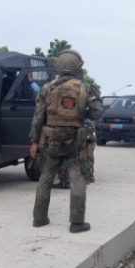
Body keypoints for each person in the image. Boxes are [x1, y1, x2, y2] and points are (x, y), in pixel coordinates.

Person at [29, 49, 103, 233]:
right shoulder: (87, 87)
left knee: (45, 177)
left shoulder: (47, 88)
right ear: (78, 66)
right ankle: (77, 223)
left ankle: (39, 218)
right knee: (77, 179)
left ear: (58, 65)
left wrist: (34, 141)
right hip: (76, 139)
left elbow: (38, 117)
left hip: (51, 138)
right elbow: (98, 114)